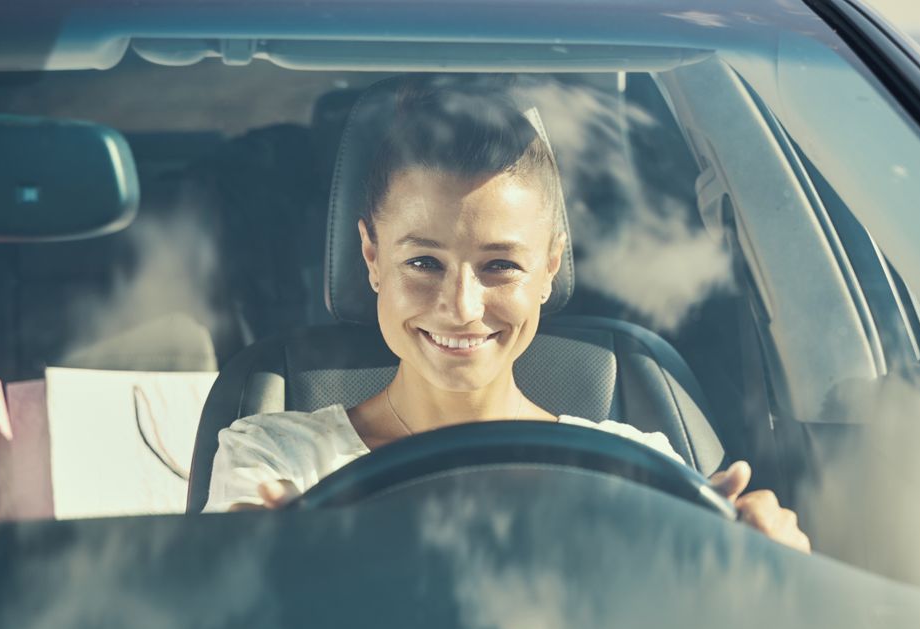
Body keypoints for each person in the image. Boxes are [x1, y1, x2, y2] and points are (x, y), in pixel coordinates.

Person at [203, 77, 810, 554]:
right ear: (371, 258)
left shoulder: (634, 465)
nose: (462, 307)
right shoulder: (276, 459)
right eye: (423, 262)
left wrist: (769, 571)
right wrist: (249, 570)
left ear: (549, 268)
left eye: (500, 266)